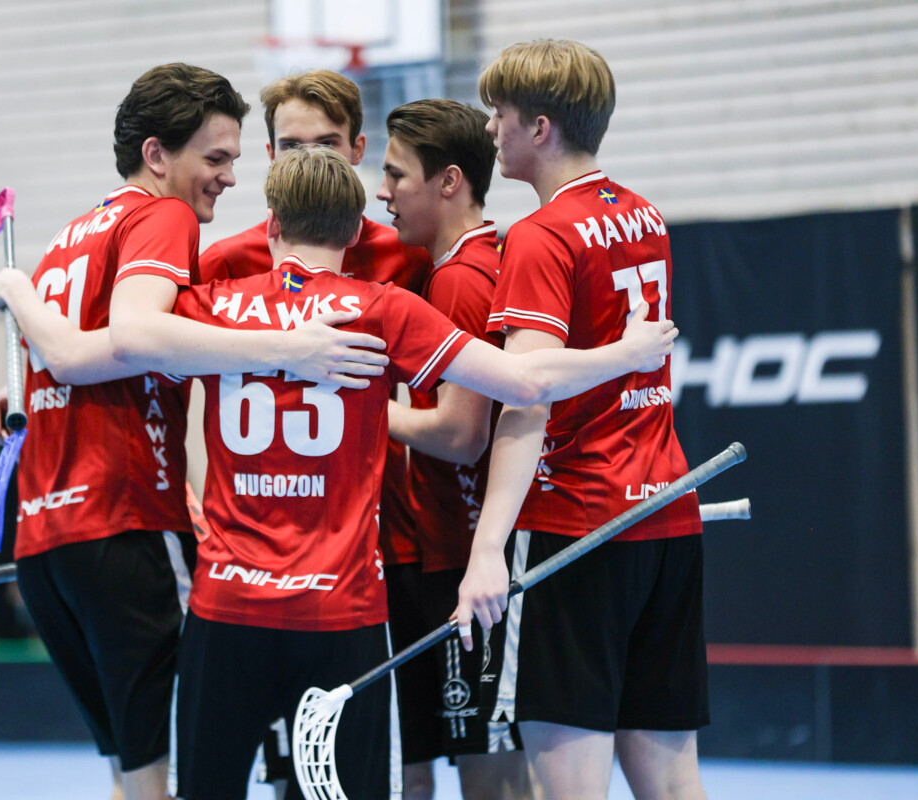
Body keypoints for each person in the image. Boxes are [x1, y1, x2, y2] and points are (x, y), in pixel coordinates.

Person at [166, 145, 678, 800]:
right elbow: (524, 382)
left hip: (226, 607)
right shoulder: (382, 309)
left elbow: (116, 343)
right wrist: (626, 353)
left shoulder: (210, 306)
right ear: (355, 235)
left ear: (270, 226)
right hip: (339, 611)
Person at [0, 63, 390, 800]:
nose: (231, 176)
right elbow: (120, 342)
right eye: (216, 158)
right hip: (125, 518)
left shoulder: (71, 236)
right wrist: (289, 348)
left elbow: (78, 354)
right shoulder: (162, 218)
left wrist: (26, 342)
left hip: (45, 544)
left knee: (135, 767)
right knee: (168, 766)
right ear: (156, 155)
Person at [454, 40, 708, 800]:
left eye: (498, 114)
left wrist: (486, 550)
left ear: (539, 128)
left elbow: (527, 392)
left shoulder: (540, 236)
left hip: (576, 528)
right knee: (673, 784)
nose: (489, 129)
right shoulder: (645, 214)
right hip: (666, 516)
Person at [193, 68, 433, 794]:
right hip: (254, 561)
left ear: (358, 148)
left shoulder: (406, 258)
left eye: (327, 144)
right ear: (270, 158)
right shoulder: (222, 264)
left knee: (379, 769)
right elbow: (152, 367)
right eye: (292, 147)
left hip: (381, 546)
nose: (310, 160)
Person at [375, 99, 531, 799]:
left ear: (449, 181)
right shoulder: (466, 266)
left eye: (395, 174)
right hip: (454, 551)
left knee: (493, 779)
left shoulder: (461, 278)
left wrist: (362, 411)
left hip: (473, 559)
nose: (383, 192)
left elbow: (462, 436)